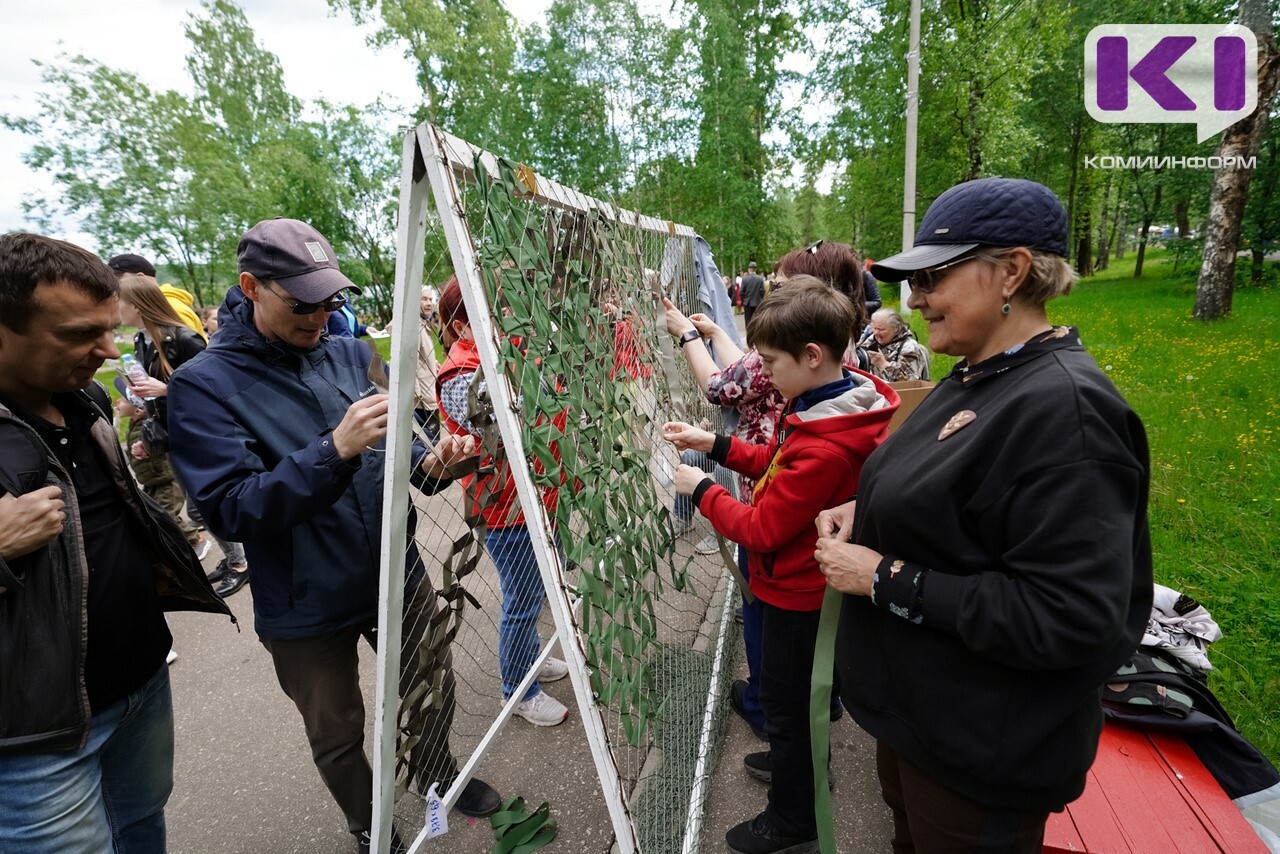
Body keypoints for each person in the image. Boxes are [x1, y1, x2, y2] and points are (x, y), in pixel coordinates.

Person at [814, 177, 1153, 852]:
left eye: (934, 276)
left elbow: (1071, 618)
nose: (914, 299)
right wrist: (868, 507)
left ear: (1012, 272)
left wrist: (884, 576)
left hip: (980, 760)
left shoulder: (1067, 415)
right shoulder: (980, 372)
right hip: (924, 729)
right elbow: (964, 500)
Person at [167, 219, 502, 851]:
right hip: (304, 600)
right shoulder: (202, 385)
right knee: (337, 727)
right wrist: (333, 451)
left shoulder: (354, 352)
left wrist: (438, 466)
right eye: (302, 303)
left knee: (430, 682)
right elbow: (231, 509)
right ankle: (369, 823)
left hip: (393, 571)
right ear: (251, 287)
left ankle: (441, 777)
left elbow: (407, 451)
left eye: (330, 299)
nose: (321, 315)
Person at [0, 232, 231, 853]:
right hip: (37, 740)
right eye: (79, 334)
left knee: (140, 823)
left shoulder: (84, 397)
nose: (105, 350)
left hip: (139, 680)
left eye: (107, 329)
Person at [664, 278, 896, 854]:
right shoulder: (831, 404)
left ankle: (794, 818)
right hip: (801, 587)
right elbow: (777, 459)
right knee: (788, 701)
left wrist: (701, 491)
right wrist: (713, 444)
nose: (761, 373)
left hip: (797, 596)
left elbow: (762, 527)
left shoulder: (825, 445)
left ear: (811, 356)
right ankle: (797, 763)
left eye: (769, 361)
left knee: (789, 708)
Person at [435, 276, 572, 727]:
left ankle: (528, 662)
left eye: (502, 308)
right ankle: (518, 690)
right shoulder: (459, 376)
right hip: (502, 508)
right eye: (488, 313)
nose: (502, 319)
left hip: (533, 494)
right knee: (522, 597)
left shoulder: (502, 355)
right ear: (458, 327)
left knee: (535, 590)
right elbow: (507, 423)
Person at [107, 253, 207, 342]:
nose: (114, 291)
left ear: (140, 279)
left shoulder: (170, 308)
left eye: (118, 283)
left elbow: (193, 353)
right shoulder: (158, 307)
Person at [861, 307, 931, 381]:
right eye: (875, 328)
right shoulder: (872, 339)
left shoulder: (909, 346)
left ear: (895, 329)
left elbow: (909, 381)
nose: (876, 333)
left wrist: (883, 364)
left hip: (899, 391)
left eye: (881, 329)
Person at [414, 285, 441, 443]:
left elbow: (421, 355)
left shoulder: (424, 323)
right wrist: (417, 394)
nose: (429, 303)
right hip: (423, 396)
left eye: (431, 299)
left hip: (428, 388)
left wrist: (433, 361)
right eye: (424, 299)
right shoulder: (415, 327)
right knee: (431, 440)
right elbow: (411, 361)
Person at [739, 261, 765, 326]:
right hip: (757, 302)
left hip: (747, 303)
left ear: (749, 269)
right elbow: (762, 291)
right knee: (756, 320)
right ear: (755, 269)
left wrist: (743, 300)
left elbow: (741, 292)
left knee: (748, 320)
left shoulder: (745, 279)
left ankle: (748, 334)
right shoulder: (760, 279)